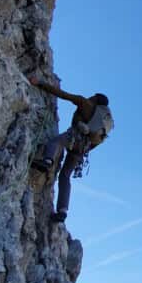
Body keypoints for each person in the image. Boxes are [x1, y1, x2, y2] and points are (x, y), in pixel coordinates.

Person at [29, 76, 114, 222]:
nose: (90, 97)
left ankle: (47, 161)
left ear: (95, 99)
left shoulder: (86, 104)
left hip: (74, 139)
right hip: (82, 150)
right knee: (65, 176)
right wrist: (82, 152)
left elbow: (63, 95)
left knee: (55, 142)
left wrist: (41, 83)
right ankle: (62, 211)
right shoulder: (105, 125)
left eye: (93, 96)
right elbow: (97, 142)